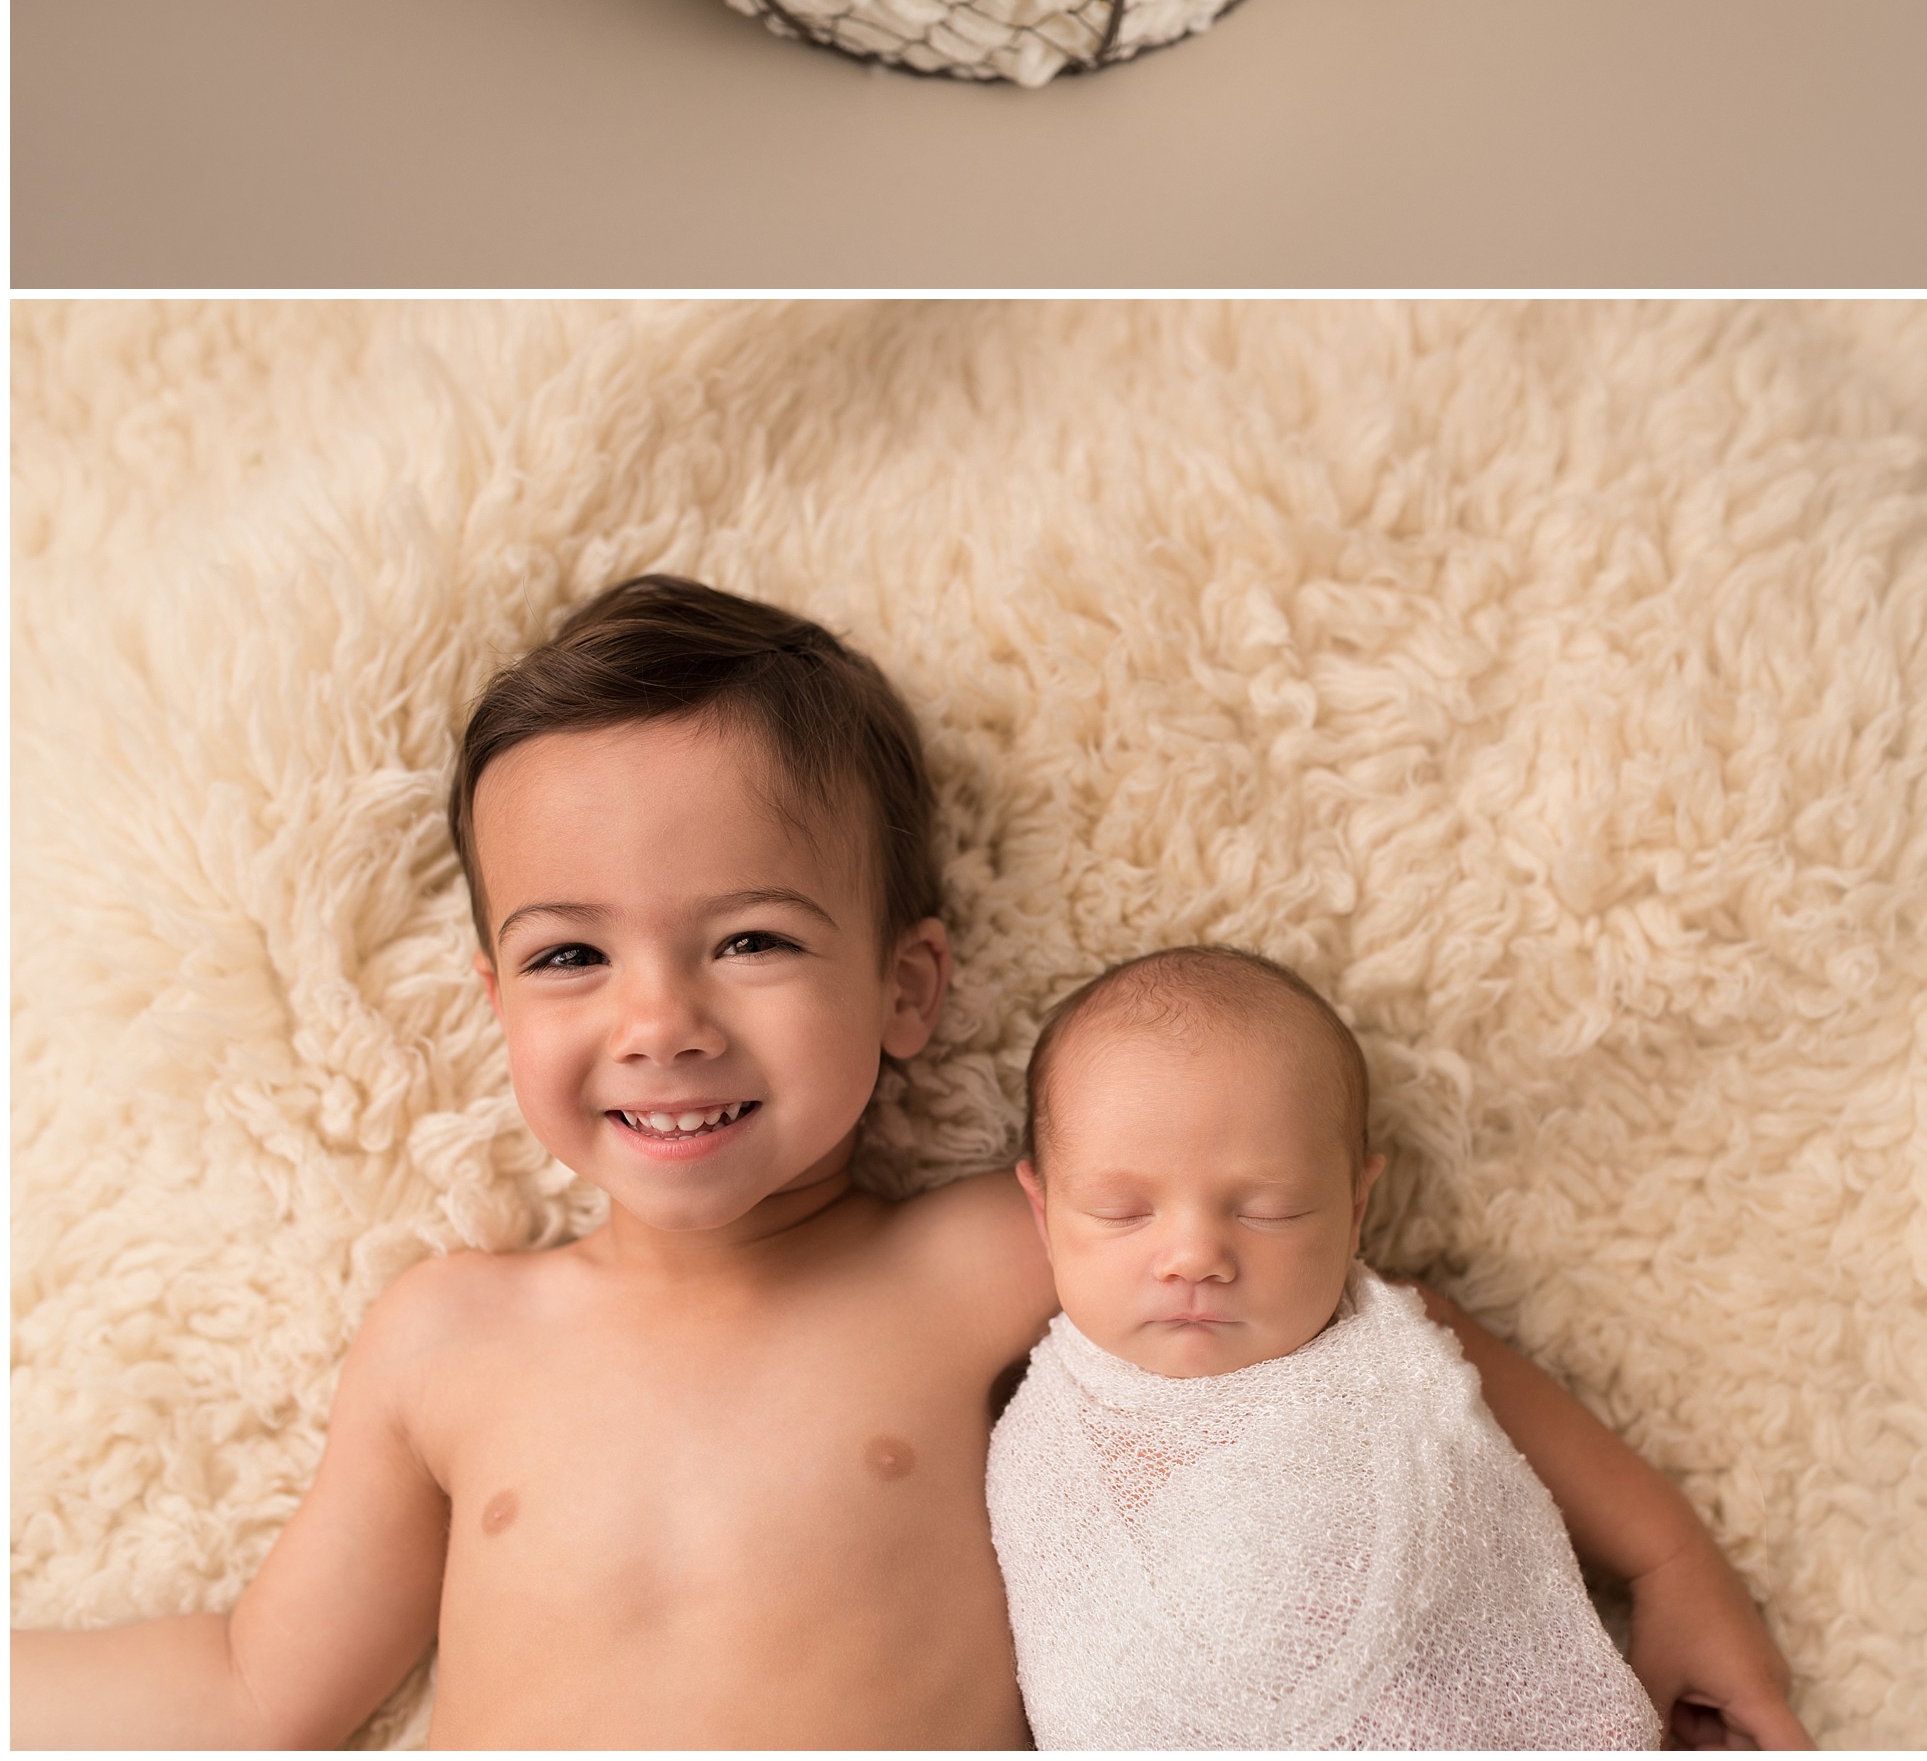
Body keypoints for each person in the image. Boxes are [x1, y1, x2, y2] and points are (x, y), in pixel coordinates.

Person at [14, 578, 1803, 1750]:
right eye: (572, 953)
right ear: (495, 1000)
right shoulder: (448, 1337)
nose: (661, 1020)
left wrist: (1664, 1558)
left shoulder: (983, 1260)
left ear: (909, 987)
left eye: (753, 941)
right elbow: (264, 1682)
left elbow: (1381, 1334)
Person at [991, 946, 1681, 1749]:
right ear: (1043, 1216)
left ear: (1355, 1208)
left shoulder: (1397, 1344)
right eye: (1121, 1210)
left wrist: (1677, 1577)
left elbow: (1634, 1524)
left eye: (1271, 1210)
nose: (1194, 1256)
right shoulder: (1036, 1429)